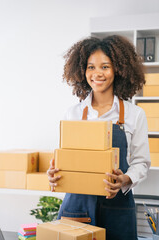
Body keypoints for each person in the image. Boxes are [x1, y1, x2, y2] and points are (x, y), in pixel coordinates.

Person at [47, 35, 151, 240]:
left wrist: (123, 179)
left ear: (118, 70)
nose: (97, 74)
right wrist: (53, 174)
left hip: (118, 208)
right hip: (76, 208)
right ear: (82, 70)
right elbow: (66, 160)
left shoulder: (134, 114)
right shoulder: (73, 114)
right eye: (90, 67)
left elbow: (141, 162)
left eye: (105, 67)